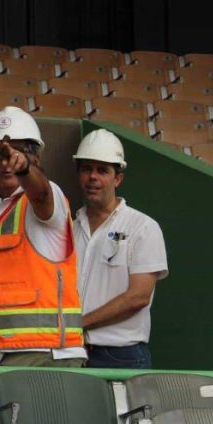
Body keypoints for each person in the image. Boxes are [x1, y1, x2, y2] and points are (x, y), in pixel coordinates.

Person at [0, 106, 86, 367]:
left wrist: (24, 169)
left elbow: (41, 191)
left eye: (20, 152)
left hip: (45, 354)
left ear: (38, 156)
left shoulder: (45, 200)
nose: (7, 161)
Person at [72, 129, 168, 369]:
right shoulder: (70, 228)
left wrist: (79, 323)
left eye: (102, 170)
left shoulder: (143, 227)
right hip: (73, 353)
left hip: (122, 356)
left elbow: (138, 297)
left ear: (118, 179)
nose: (92, 177)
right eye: (86, 169)